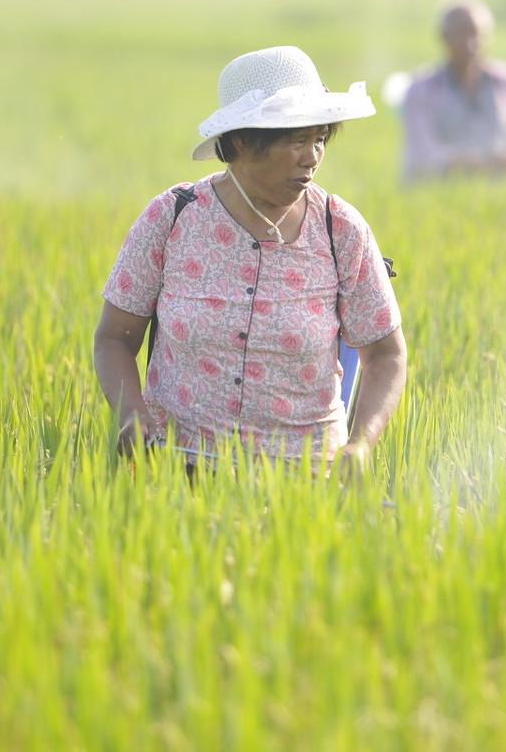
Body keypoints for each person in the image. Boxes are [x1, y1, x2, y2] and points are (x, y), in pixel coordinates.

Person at [93, 46, 407, 476]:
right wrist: (131, 415)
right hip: (175, 471)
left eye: (319, 140)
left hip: (305, 480)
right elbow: (114, 339)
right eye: (297, 140)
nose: (312, 157)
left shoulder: (341, 230)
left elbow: (386, 354)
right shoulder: (172, 217)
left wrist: (361, 445)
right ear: (243, 140)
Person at [401, 0, 506, 182]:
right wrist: (475, 164)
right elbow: (424, 154)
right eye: (462, 33)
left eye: (477, 34)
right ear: (444, 36)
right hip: (438, 193)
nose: (471, 43)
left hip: (500, 192)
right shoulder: (420, 89)